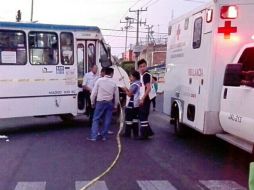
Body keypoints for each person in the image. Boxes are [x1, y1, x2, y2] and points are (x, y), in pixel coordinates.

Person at [87, 67, 119, 141]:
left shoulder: (99, 81)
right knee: (107, 119)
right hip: (109, 103)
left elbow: (94, 93)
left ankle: (94, 137)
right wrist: (115, 105)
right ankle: (104, 136)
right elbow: (116, 95)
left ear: (105, 73)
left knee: (96, 119)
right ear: (111, 73)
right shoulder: (114, 83)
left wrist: (92, 102)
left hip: (100, 102)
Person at [121, 70, 141, 139]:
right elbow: (132, 92)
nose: (130, 78)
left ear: (135, 77)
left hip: (131, 104)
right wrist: (127, 89)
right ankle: (135, 133)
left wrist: (124, 90)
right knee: (135, 119)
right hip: (136, 104)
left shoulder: (135, 84)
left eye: (131, 76)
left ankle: (127, 133)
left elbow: (129, 94)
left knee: (129, 119)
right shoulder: (139, 83)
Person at [138, 59, 154, 140]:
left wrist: (142, 99)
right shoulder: (145, 75)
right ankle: (148, 132)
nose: (142, 68)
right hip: (146, 98)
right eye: (140, 67)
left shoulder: (145, 75)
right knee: (143, 116)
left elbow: (148, 88)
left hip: (145, 99)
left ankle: (144, 135)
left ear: (146, 66)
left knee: (143, 116)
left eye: (144, 66)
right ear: (138, 68)